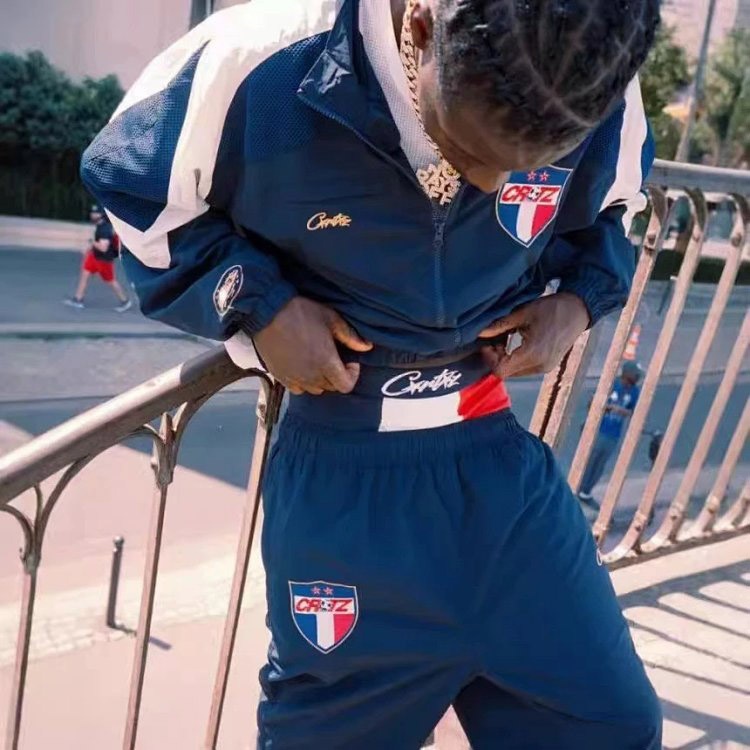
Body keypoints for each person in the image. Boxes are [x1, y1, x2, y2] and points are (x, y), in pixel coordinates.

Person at [81, 1, 663, 747]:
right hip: (345, 489)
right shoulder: (258, 61)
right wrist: (257, 303)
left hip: (500, 471)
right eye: (469, 149)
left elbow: (613, 206)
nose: (491, 187)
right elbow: (134, 194)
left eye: (529, 166)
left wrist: (580, 300)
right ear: (419, 27)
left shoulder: (591, 61)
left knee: (615, 728)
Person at [578, 360, 644, 510]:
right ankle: (577, 488)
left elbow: (633, 411)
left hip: (613, 435)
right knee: (588, 461)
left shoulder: (634, 392)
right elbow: (592, 403)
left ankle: (586, 492)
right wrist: (607, 407)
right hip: (598, 430)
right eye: (635, 375)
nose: (637, 378)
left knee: (599, 465)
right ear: (627, 375)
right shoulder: (612, 384)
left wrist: (622, 411)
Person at [64, 204, 132, 311]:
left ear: (101, 215)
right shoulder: (101, 226)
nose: (93, 215)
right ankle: (78, 299)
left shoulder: (104, 229)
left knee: (110, 281)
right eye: (92, 213)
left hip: (104, 260)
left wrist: (92, 242)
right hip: (95, 257)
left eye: (95, 213)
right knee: (85, 274)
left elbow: (103, 248)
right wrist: (89, 249)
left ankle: (125, 301)